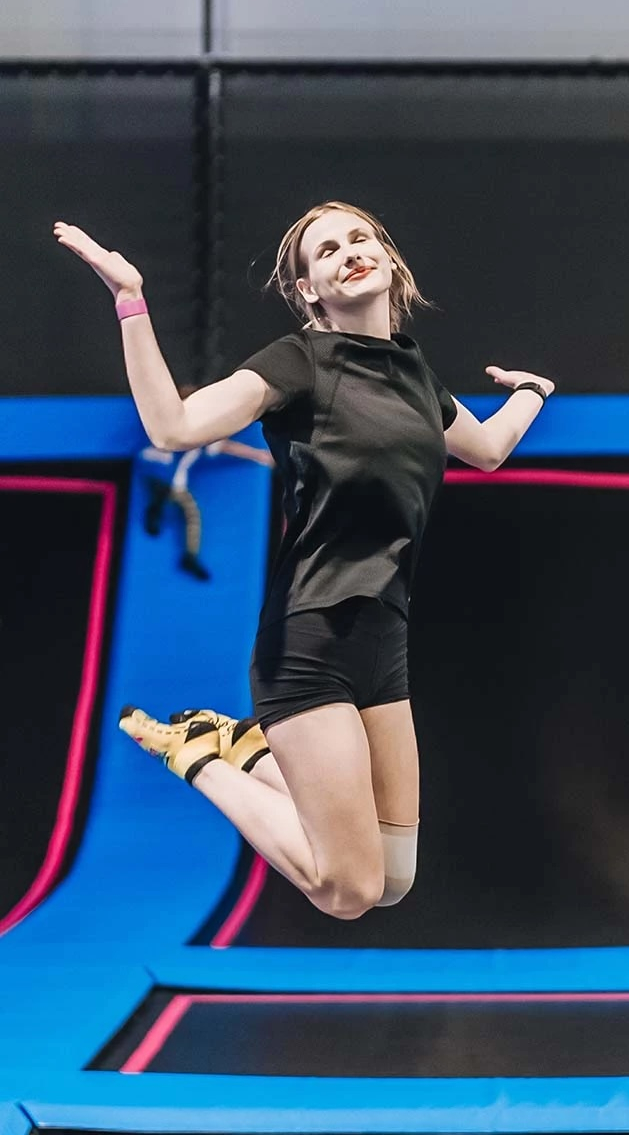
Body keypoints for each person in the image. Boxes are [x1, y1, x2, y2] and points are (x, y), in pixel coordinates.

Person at [55, 201, 554, 918]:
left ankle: (241, 747)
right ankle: (201, 760)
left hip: (383, 640)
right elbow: (173, 425)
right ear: (310, 291)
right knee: (347, 891)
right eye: (326, 252)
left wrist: (534, 392)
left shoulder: (415, 374)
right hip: (308, 639)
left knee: (394, 878)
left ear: (387, 258)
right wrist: (130, 300)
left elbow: (489, 448)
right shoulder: (299, 364)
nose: (349, 252)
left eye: (360, 238)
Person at [139, 403, 275, 581]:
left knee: (191, 513)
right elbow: (227, 446)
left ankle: (189, 555)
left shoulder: (205, 438)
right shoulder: (189, 429)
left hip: (172, 482)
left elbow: (226, 447)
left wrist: (259, 455)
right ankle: (155, 510)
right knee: (163, 489)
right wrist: (259, 455)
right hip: (158, 469)